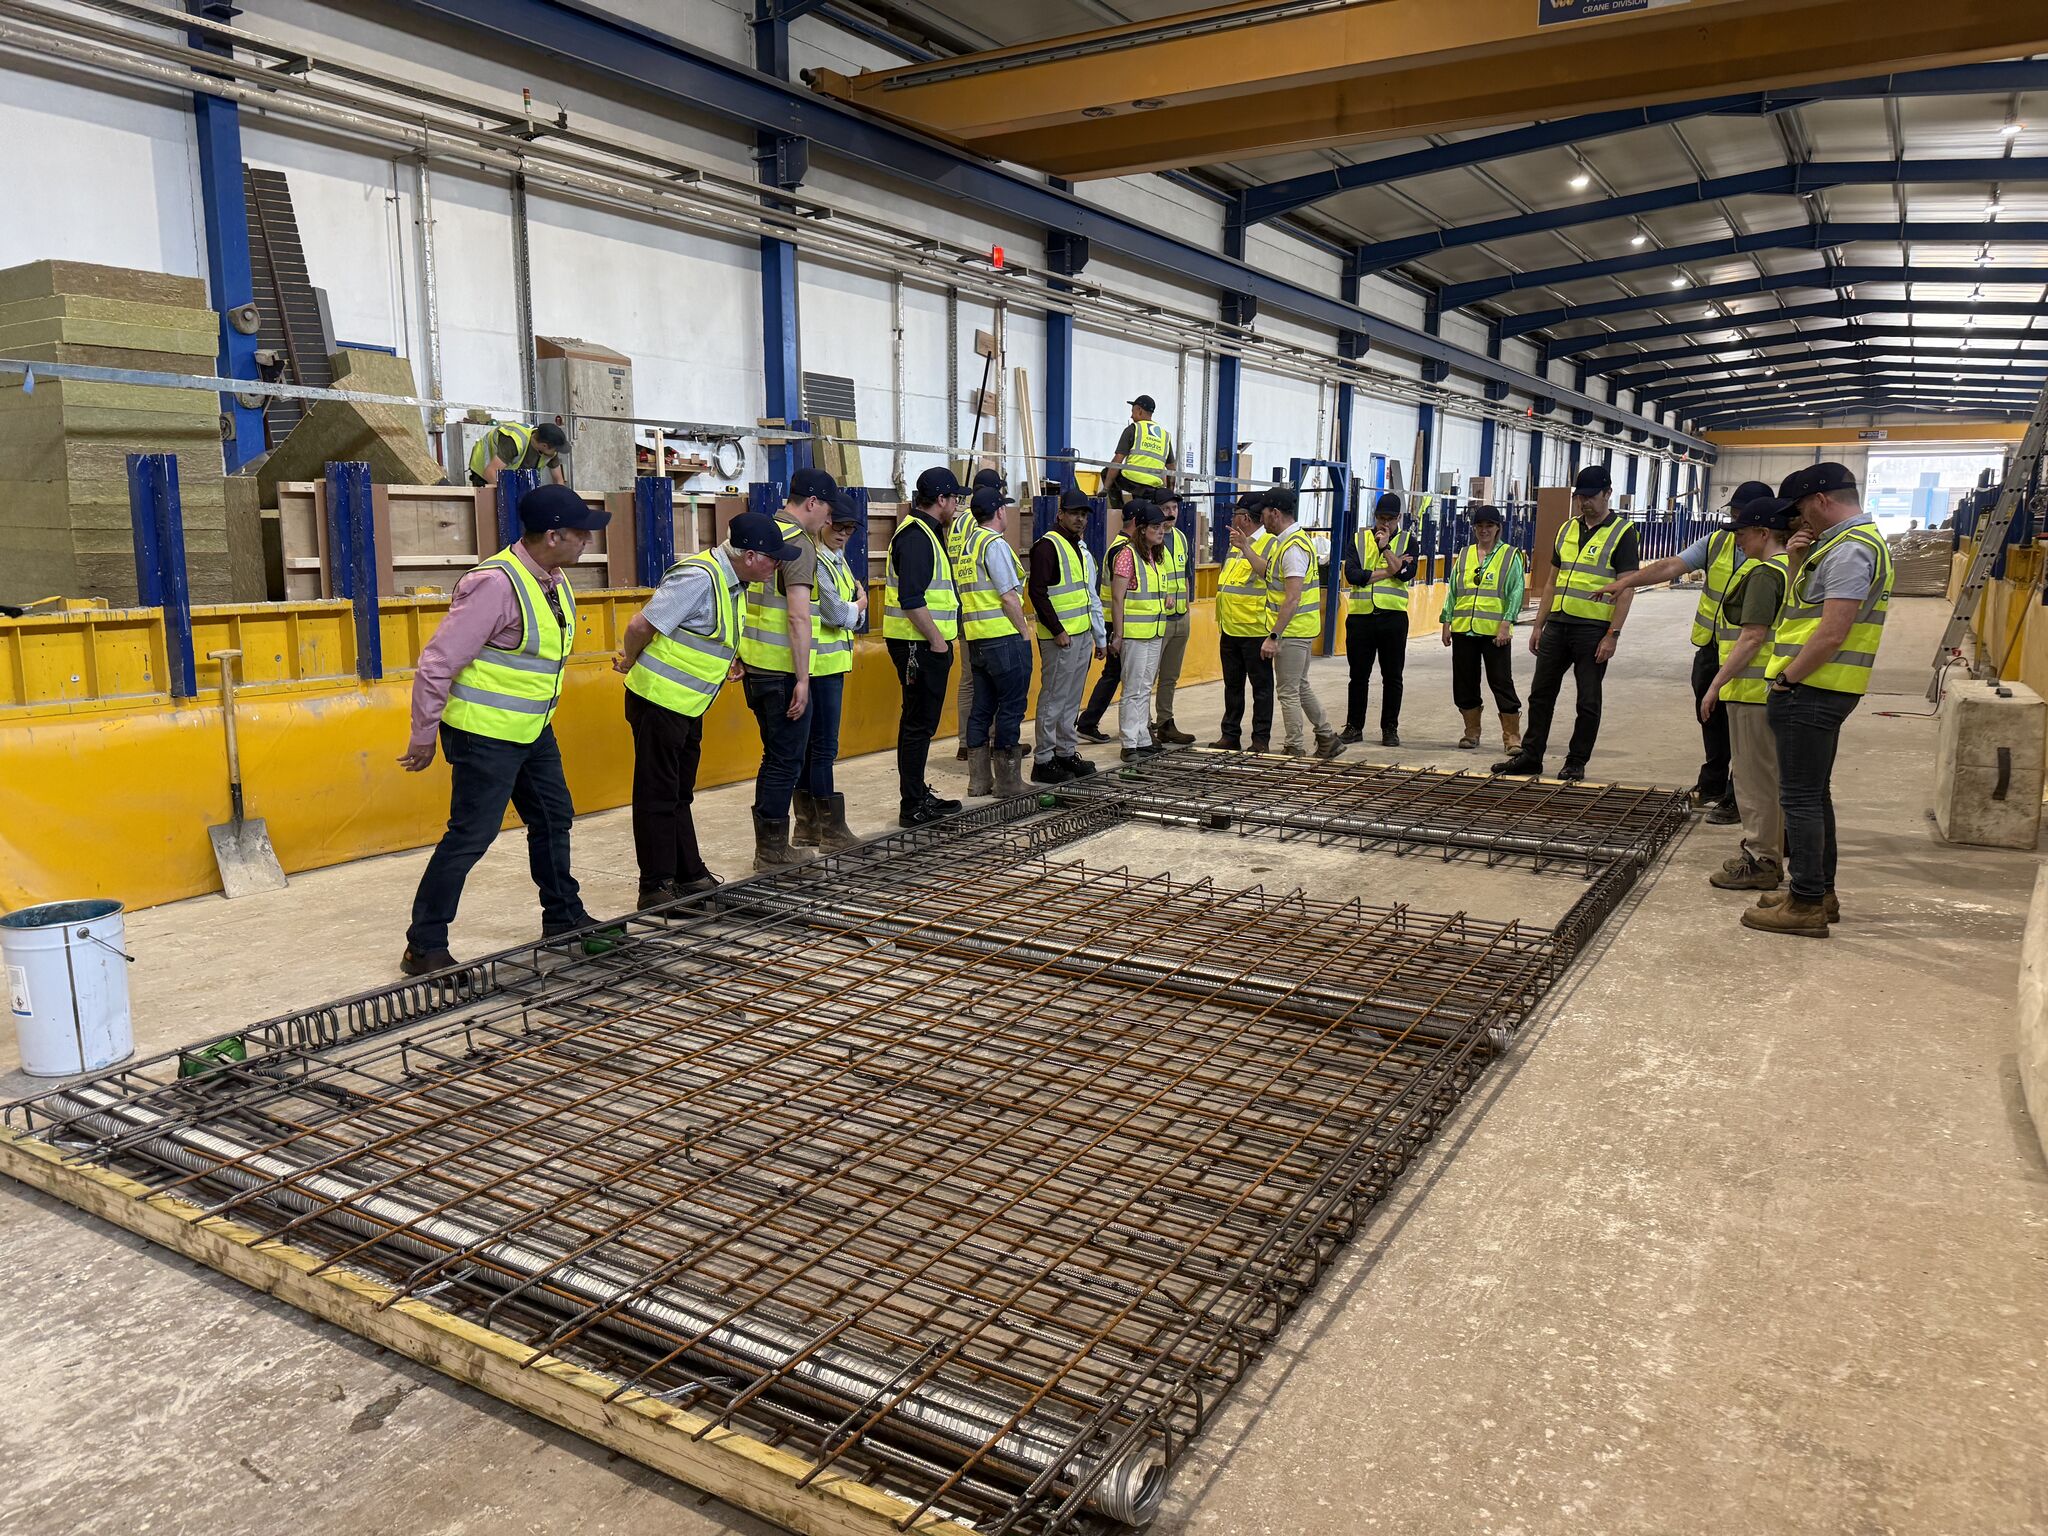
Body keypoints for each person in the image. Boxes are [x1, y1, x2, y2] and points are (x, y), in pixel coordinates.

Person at [397, 483, 609, 975]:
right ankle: (423, 945)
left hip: (532, 731)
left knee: (554, 819)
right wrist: (423, 733)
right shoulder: (495, 584)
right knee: (471, 835)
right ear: (553, 536)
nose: (587, 543)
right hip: (484, 734)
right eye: (581, 534)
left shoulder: (551, 579)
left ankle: (563, 918)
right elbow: (437, 664)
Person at [1743, 462, 1895, 938]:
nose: (1801, 519)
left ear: (1824, 499)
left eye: (1804, 508)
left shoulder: (1850, 550)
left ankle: (1805, 902)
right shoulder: (1843, 545)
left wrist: (1787, 678)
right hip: (1822, 687)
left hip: (1813, 688)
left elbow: (1831, 633)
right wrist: (1793, 561)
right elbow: (1803, 611)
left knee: (1800, 799)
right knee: (1814, 794)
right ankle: (1817, 890)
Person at [616, 511, 792, 907]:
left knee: (679, 793)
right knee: (657, 795)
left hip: (687, 705)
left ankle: (688, 872)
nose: (777, 566)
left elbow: (707, 634)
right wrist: (629, 661)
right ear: (749, 556)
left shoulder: (734, 584)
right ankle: (655, 886)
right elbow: (640, 626)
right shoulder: (698, 578)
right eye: (773, 558)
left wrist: (734, 659)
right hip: (658, 701)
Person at [1599, 478, 1772, 822]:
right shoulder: (1718, 542)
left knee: (1744, 727)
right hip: (1710, 647)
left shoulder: (1777, 556)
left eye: (1741, 519)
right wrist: (1626, 581)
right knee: (1710, 716)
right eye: (1734, 516)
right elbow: (1671, 566)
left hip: (1750, 655)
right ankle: (1713, 784)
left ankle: (1739, 796)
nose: (1735, 525)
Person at [1494, 463, 1639, 782]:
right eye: (1580, 497)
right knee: (1540, 693)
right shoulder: (1567, 529)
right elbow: (1551, 582)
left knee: (1587, 699)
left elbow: (1627, 587)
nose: (1584, 502)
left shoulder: (1623, 534)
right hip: (1557, 627)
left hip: (1592, 630)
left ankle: (1576, 760)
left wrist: (1613, 634)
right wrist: (1538, 625)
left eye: (1590, 496)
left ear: (1607, 494)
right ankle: (1531, 756)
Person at [738, 467, 838, 870]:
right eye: (826, 510)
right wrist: (802, 679)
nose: (828, 520)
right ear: (812, 503)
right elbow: (799, 617)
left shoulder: (760, 535)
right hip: (782, 672)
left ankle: (772, 842)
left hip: (756, 667)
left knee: (774, 757)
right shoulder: (799, 544)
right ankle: (772, 849)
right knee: (784, 760)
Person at [1698, 497, 1794, 893]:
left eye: (1741, 533)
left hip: (1753, 691)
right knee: (1775, 779)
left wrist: (1716, 683)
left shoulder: (1765, 573)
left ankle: (1761, 860)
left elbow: (1752, 636)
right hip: (1773, 689)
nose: (1737, 540)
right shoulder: (1795, 567)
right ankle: (1778, 847)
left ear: (1763, 533)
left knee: (1755, 783)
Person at [885, 466, 966, 826]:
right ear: (942, 500)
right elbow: (911, 598)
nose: (957, 506)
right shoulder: (918, 536)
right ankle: (912, 805)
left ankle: (916, 795)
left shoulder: (926, 533)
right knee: (918, 725)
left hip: (923, 645)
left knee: (918, 723)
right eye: (955, 499)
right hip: (919, 646)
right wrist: (937, 642)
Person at [791, 492, 866, 853]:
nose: (843, 534)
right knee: (822, 749)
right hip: (821, 667)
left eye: (850, 529)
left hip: (829, 665)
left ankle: (808, 829)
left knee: (813, 749)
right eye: (839, 527)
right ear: (825, 522)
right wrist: (858, 606)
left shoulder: (838, 560)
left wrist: (854, 605)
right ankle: (829, 830)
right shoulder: (819, 561)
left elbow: (850, 602)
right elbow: (839, 614)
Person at [958, 485, 1033, 797]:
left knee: (982, 708)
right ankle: (1008, 781)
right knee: (1011, 708)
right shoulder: (994, 545)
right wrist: (1025, 633)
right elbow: (1008, 598)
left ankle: (979, 781)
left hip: (976, 641)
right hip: (1003, 639)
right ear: (1000, 511)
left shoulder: (968, 545)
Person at [1261, 487, 1344, 760]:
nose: (1261, 519)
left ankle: (1294, 746)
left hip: (1293, 632)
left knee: (1287, 691)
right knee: (1300, 685)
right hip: (1300, 629)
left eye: (1263, 513)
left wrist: (1274, 636)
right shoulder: (1287, 542)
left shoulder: (1293, 547)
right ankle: (1327, 736)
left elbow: (1292, 597)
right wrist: (1247, 549)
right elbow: (1270, 575)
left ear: (1275, 513)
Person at [1028, 485, 1103, 784]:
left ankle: (1065, 752)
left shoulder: (1080, 549)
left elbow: (1088, 595)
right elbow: (1037, 592)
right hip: (1061, 638)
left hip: (1081, 634)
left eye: (1084, 514)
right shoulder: (1047, 546)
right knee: (1053, 699)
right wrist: (1057, 630)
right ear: (1060, 514)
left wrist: (1098, 637)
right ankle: (1043, 759)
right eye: (1074, 513)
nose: (1080, 519)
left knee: (1071, 699)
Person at [1438, 503, 1524, 752]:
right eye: (1479, 526)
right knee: (1464, 681)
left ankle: (1512, 736)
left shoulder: (1510, 555)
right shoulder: (1464, 555)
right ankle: (1471, 732)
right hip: (1464, 629)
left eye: (1489, 526)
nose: (1484, 530)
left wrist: (1506, 623)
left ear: (1498, 528)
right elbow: (1453, 590)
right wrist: (1446, 621)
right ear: (1474, 528)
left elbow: (1516, 591)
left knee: (1501, 681)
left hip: (1495, 630)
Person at [1342, 491, 1417, 747]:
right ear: (1374, 516)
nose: (1384, 524)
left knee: (1392, 676)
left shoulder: (1408, 541)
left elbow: (1406, 575)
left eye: (1390, 519)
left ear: (1399, 518)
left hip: (1392, 618)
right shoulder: (1359, 539)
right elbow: (1353, 575)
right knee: (1358, 675)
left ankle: (1390, 728)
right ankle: (1354, 727)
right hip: (1361, 618)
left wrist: (1385, 549)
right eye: (1381, 518)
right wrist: (1390, 569)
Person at [949, 468, 1007, 758]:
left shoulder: (959, 522)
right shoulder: (984, 523)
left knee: (969, 680)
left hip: (962, 606)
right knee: (992, 681)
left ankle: (965, 742)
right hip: (985, 611)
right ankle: (992, 741)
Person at [1212, 491, 1276, 751]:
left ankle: (1260, 739)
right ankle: (1230, 735)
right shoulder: (1235, 543)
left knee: (1261, 688)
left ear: (1246, 518)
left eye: (1236, 514)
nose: (1233, 518)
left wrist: (1246, 548)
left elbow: (1268, 574)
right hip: (1229, 628)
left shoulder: (1270, 544)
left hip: (1255, 629)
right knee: (1233, 686)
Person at [1112, 501, 1170, 760]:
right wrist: (1119, 634)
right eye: (1156, 527)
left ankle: (1143, 736)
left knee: (1146, 686)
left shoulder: (1155, 556)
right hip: (1135, 635)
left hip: (1154, 632)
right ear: (1142, 528)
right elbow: (1117, 598)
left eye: (1163, 527)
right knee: (1133, 688)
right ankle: (1129, 742)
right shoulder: (1127, 555)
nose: (1161, 532)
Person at [1148, 488, 1197, 745]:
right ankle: (1143, 727)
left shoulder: (1180, 538)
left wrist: (1187, 605)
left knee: (1170, 676)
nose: (1171, 514)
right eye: (1165, 509)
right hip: (1158, 620)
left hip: (1180, 618)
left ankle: (1165, 722)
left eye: (1174, 508)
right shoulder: (1147, 540)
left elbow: (1186, 575)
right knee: (1148, 677)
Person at [1101, 393, 1173, 507]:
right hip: (1154, 486)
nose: (1131, 416)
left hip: (1133, 481)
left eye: (1132, 411)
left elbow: (1117, 460)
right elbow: (1171, 468)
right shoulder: (1165, 435)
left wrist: (1105, 489)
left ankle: (1118, 510)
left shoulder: (1134, 429)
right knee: (1142, 508)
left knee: (1106, 472)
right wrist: (1169, 493)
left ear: (1139, 410)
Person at [467, 419, 568, 487]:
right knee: (491, 509)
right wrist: (511, 495)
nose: (556, 453)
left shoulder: (550, 450)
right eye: (555, 450)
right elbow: (490, 473)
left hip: (507, 475)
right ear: (544, 445)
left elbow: (559, 480)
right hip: (485, 470)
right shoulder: (514, 441)